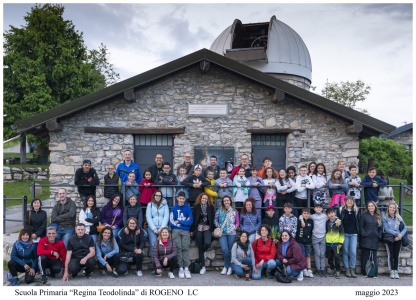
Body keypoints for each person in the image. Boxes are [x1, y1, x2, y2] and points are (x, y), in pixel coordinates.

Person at [170, 191, 193, 279]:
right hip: (176, 230)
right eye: (180, 198)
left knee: (185, 247)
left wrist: (179, 221)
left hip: (185, 230)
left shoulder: (188, 208)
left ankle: (186, 267)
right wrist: (184, 222)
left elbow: (190, 221)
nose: (181, 200)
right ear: (177, 198)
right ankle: (180, 267)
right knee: (178, 248)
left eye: (183, 199)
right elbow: (172, 222)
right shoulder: (173, 208)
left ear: (185, 199)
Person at [190, 192, 216, 275]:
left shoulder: (211, 207)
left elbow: (212, 218)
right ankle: (203, 267)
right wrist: (192, 230)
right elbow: (194, 219)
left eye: (206, 198)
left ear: (208, 199)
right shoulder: (196, 207)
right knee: (199, 246)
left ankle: (202, 253)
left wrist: (213, 229)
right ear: (200, 199)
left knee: (207, 242)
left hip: (208, 227)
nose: (204, 200)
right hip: (198, 228)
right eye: (203, 198)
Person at [214, 195, 239, 276]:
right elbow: (215, 219)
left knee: (230, 250)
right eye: (225, 201)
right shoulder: (219, 210)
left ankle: (229, 267)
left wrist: (235, 227)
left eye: (227, 200)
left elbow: (237, 222)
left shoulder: (234, 211)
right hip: (222, 233)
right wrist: (218, 227)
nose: (226, 202)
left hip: (231, 233)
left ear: (230, 201)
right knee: (224, 249)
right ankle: (226, 266)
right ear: (223, 202)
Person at [146, 190, 170, 274]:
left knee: (162, 246)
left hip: (163, 228)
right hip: (153, 228)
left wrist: (161, 229)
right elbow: (148, 217)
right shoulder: (150, 205)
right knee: (153, 246)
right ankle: (155, 267)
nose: (158, 197)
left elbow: (166, 216)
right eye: (157, 195)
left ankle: (162, 266)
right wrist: (154, 229)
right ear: (154, 196)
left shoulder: (165, 204)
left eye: (159, 195)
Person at [382, 202, 407, 279]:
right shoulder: (385, 218)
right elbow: (387, 229)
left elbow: (405, 228)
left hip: (398, 238)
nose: (392, 209)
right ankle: (391, 271)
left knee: (396, 255)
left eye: (393, 208)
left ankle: (396, 270)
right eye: (390, 207)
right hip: (390, 238)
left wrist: (400, 235)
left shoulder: (399, 217)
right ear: (388, 208)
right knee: (391, 254)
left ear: (395, 209)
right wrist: (397, 234)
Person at [360, 201, 382, 278]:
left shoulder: (378, 216)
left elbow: (380, 228)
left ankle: (375, 273)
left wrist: (379, 235)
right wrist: (364, 234)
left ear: (375, 207)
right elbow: (361, 227)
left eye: (372, 206)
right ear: (367, 207)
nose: (370, 207)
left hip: (375, 239)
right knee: (365, 256)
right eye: (369, 206)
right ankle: (363, 272)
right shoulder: (364, 216)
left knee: (374, 257)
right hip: (366, 239)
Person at [339, 197, 360, 278]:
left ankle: (352, 269)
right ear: (345, 202)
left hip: (354, 233)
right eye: (348, 201)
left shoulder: (356, 210)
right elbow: (339, 220)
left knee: (353, 252)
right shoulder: (341, 210)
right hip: (345, 233)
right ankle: (347, 269)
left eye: (351, 201)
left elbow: (358, 221)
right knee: (345, 251)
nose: (350, 202)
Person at [325, 208, 344, 279]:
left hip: (336, 243)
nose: (331, 214)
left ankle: (338, 270)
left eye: (332, 213)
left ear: (334, 213)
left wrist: (340, 242)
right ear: (327, 215)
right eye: (329, 213)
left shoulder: (339, 222)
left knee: (337, 257)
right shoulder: (327, 223)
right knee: (329, 257)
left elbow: (342, 233)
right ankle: (332, 268)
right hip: (328, 243)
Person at [296, 208, 314, 278]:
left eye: (307, 213)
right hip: (300, 241)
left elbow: (311, 231)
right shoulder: (299, 221)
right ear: (302, 214)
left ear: (309, 214)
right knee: (302, 255)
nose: (306, 215)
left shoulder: (311, 221)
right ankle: (303, 268)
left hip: (308, 241)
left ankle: (309, 269)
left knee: (308, 255)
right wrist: (301, 220)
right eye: (304, 213)